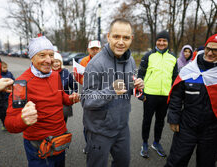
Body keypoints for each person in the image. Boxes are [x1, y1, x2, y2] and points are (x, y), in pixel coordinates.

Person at [4, 36, 80, 167]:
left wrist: (71, 99)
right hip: (38, 145)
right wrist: (23, 119)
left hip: (60, 139)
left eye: (51, 55)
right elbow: (9, 123)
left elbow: (61, 97)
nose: (49, 60)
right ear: (32, 57)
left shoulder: (55, 75)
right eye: (42, 55)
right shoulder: (21, 84)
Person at [81, 18, 144, 167]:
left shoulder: (130, 61)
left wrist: (137, 86)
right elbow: (86, 100)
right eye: (116, 37)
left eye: (126, 38)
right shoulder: (95, 64)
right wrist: (111, 90)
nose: (121, 42)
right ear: (108, 36)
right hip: (99, 131)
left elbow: (128, 87)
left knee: (123, 163)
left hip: (122, 127)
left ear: (131, 39)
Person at [165, 33, 217, 167]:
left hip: (212, 129)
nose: (210, 53)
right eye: (208, 48)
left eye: (216, 50)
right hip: (186, 126)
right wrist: (173, 118)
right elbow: (176, 96)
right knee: (175, 162)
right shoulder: (189, 69)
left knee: (207, 164)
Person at [138, 30, 178, 158]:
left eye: (164, 41)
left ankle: (156, 142)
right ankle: (144, 143)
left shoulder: (173, 58)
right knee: (147, 121)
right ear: (156, 41)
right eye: (159, 40)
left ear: (167, 42)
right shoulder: (148, 56)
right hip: (149, 95)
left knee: (160, 121)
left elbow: (175, 78)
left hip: (165, 96)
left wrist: (173, 95)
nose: (161, 43)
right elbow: (140, 76)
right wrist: (141, 93)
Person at [52, 52, 78, 123]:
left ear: (60, 62)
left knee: (63, 124)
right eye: (53, 62)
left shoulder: (66, 72)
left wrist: (72, 95)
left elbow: (74, 87)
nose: (55, 64)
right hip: (51, 106)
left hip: (64, 104)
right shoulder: (47, 73)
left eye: (57, 61)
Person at [0, 61, 15, 130]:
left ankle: (11, 122)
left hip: (10, 95)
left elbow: (14, 80)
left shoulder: (9, 73)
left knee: (11, 109)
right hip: (3, 96)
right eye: (4, 68)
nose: (5, 69)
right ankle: (5, 124)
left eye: (6, 67)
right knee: (4, 110)